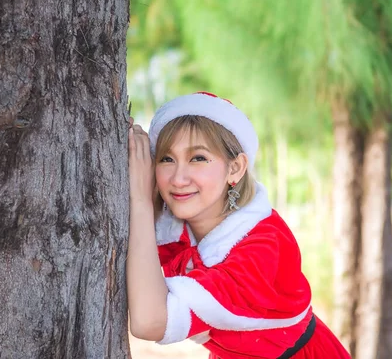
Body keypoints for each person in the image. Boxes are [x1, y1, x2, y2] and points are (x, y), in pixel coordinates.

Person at [127, 92, 351, 359]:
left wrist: (140, 199)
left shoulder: (261, 249)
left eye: (198, 158)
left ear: (235, 168)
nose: (178, 178)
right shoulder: (183, 228)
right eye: (166, 159)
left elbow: (148, 322)